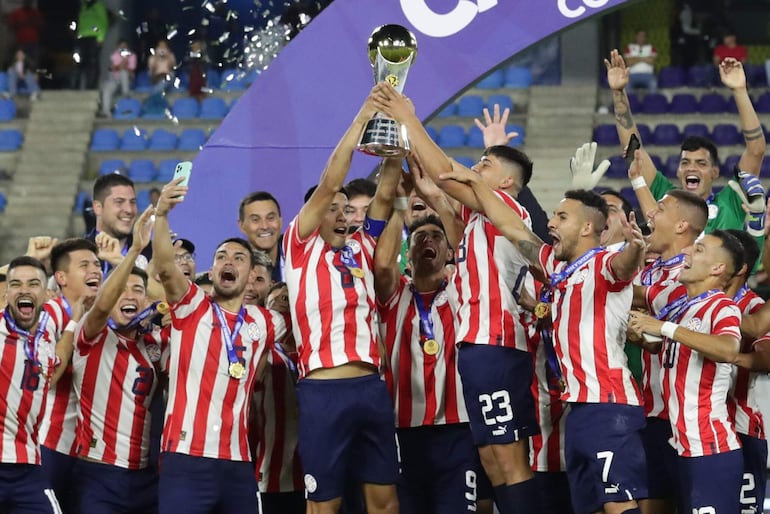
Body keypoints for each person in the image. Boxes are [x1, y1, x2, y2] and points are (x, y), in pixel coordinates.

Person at [439, 153, 648, 513]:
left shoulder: (604, 262)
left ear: (586, 229)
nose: (550, 222)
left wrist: (634, 248)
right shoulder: (556, 268)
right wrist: (475, 183)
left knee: (618, 507)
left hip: (609, 405)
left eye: (560, 217)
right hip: (579, 410)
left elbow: (622, 266)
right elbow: (514, 228)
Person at [375, 82, 539, 514]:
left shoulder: (506, 207)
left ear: (505, 183)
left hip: (497, 343)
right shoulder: (476, 222)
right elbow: (437, 190)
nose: (473, 168)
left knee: (509, 460)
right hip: (478, 347)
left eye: (483, 164)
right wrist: (405, 152)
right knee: (492, 460)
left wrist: (408, 115)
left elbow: (445, 170)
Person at [282, 87, 401, 513]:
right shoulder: (299, 247)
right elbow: (332, 179)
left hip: (371, 386)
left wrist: (398, 130)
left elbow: (386, 194)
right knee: (323, 505)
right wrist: (364, 114)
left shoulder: (361, 248)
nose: (340, 214)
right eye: (330, 208)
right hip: (323, 392)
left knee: (385, 502)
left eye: (344, 209)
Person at [152, 178, 287, 513]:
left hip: (238, 463)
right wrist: (163, 215)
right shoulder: (192, 307)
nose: (229, 261)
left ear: (250, 273)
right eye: (221, 256)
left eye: (239, 258)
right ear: (212, 271)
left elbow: (305, 306)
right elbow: (167, 270)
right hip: (186, 458)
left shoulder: (265, 322)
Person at [375, 206, 492, 514]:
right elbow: (383, 267)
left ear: (450, 252)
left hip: (457, 431)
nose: (428, 241)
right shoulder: (393, 294)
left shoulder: (460, 291)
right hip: (402, 430)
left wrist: (436, 200)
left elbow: (474, 258)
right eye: (419, 237)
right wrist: (400, 208)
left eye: (437, 237)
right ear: (408, 252)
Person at [629, 231, 744, 514]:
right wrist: (642, 337)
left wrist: (664, 328)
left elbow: (728, 349)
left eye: (700, 250)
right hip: (680, 444)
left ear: (718, 268)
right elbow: (667, 352)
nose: (688, 253)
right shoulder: (684, 310)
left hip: (709, 448)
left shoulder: (722, 306)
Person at [606, 51, 766, 249]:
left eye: (701, 163)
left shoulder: (731, 200)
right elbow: (633, 151)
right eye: (685, 162)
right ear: (678, 171)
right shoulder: (665, 196)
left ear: (715, 172)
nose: (692, 168)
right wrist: (619, 94)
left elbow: (756, 150)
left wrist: (740, 90)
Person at [71, 207, 165, 513]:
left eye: (138, 290)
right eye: (121, 290)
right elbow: (99, 309)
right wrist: (135, 249)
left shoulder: (156, 344)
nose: (130, 295)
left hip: (146, 477)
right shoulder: (92, 336)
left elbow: (176, 304)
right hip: (98, 472)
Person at [631, 174, 708, 514]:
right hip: (649, 412)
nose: (651, 215)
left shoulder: (690, 274)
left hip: (684, 416)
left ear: (681, 226)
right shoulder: (649, 272)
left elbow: (653, 337)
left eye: (660, 209)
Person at [0, 256, 77, 512]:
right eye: (16, 284)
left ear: (46, 294)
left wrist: (73, 324)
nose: (23, 290)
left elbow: (57, 364)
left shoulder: (42, 343)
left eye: (33, 284)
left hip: (29, 466)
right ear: (6, 292)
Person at [38, 238, 102, 514]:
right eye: (84, 265)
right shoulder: (51, 313)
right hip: (50, 447)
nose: (95, 271)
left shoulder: (104, 318)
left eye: (98, 265)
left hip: (87, 454)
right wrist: (73, 322)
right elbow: (47, 378)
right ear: (61, 277)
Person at [722, 230, 769, 514]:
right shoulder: (692, 300)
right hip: (693, 427)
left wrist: (727, 354)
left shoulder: (753, 307)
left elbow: (766, 358)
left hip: (741, 426)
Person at [251, 282, 304, 514]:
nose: (284, 301)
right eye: (277, 300)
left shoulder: (313, 352)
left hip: (314, 472)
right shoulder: (261, 353)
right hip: (272, 474)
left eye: (288, 298)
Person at [85, 174, 151, 275]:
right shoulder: (79, 252)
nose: (129, 210)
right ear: (98, 207)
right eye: (119, 202)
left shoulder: (149, 251)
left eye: (132, 202)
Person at [238, 191, 284, 282]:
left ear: (280, 222)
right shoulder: (236, 268)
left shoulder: (298, 258)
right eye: (255, 220)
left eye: (270, 218)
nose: (265, 226)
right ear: (242, 226)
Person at [75, 0, 108, 90]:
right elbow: (80, 21)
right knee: (81, 62)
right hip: (83, 36)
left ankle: (91, 86)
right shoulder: (83, 7)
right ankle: (77, 85)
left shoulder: (99, 6)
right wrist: (78, 35)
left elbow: (104, 22)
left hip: (94, 36)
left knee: (93, 61)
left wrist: (100, 37)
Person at [100, 40, 137, 117]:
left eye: (125, 46)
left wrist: (123, 66)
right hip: (115, 80)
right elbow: (111, 69)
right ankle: (106, 111)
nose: (123, 48)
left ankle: (125, 93)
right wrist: (122, 63)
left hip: (128, 80)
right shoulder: (114, 55)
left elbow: (131, 72)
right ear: (118, 47)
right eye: (121, 46)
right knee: (106, 89)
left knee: (124, 72)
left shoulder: (132, 56)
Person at [6, 0, 43, 68]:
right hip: (21, 42)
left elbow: (41, 25)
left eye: (29, 2)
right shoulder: (16, 13)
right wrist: (22, 23)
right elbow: (11, 26)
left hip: (34, 41)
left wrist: (32, 22)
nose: (28, 3)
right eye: (26, 1)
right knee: (21, 63)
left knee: (34, 63)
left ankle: (33, 75)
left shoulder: (35, 13)